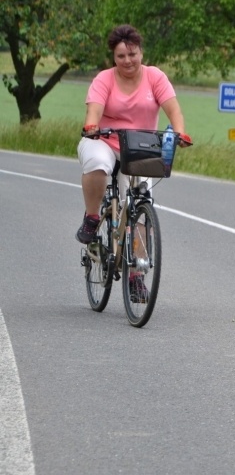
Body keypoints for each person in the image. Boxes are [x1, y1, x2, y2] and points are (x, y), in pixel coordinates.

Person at [76, 24, 190, 301]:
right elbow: (95, 109)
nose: (128, 61)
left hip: (139, 147)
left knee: (141, 205)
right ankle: (92, 218)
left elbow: (173, 108)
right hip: (105, 140)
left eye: (132, 54)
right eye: (121, 56)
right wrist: (92, 125)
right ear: (113, 58)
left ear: (141, 52)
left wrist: (180, 132)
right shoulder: (104, 80)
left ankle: (136, 275)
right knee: (97, 163)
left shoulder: (155, 77)